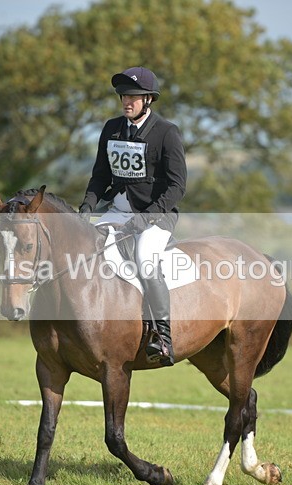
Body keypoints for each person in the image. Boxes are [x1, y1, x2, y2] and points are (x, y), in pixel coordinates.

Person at [79, 66, 187, 367]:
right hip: (117, 211)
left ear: (149, 99)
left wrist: (149, 216)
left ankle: (162, 337)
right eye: (124, 95)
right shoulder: (112, 128)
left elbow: (178, 185)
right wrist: (87, 206)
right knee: (85, 252)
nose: (127, 101)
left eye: (134, 96)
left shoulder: (166, 132)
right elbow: (100, 175)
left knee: (144, 257)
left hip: (156, 216)